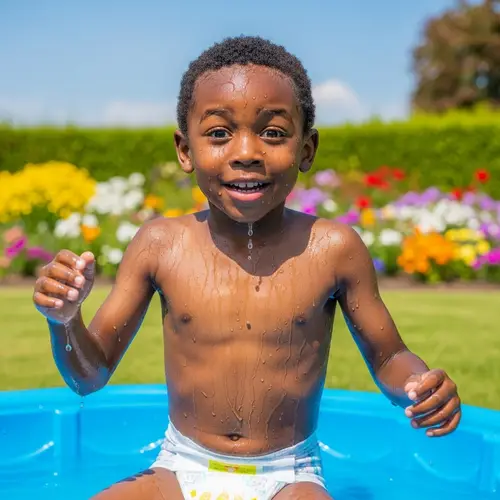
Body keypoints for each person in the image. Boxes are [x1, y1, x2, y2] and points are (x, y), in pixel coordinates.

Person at [33, 35, 461, 500]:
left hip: (290, 473)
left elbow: (389, 358)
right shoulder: (160, 245)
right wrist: (66, 321)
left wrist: (419, 384)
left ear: (307, 149)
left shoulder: (334, 249)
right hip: (179, 465)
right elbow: (88, 376)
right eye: (218, 133)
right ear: (184, 150)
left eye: (273, 133)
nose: (245, 151)